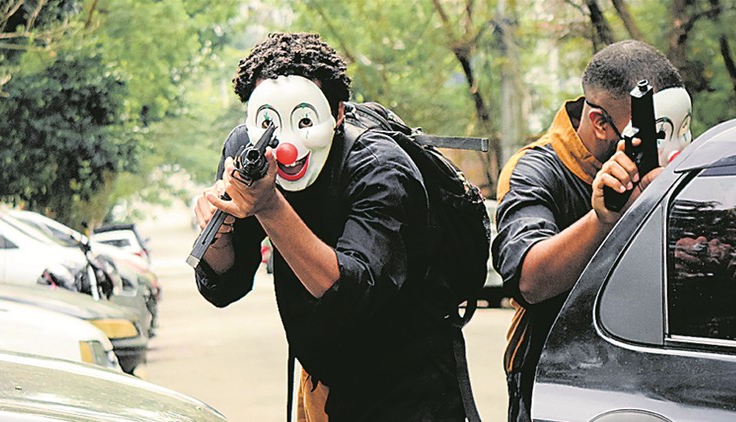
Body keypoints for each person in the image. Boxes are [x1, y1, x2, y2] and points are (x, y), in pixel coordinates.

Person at [191, 32, 466, 421]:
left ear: (338, 113)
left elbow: (354, 294)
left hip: (409, 389)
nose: (283, 144)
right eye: (268, 120)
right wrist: (219, 236)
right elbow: (227, 284)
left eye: (304, 120)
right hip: (323, 384)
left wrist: (269, 206)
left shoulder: (380, 169)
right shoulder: (247, 151)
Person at [491, 40, 693, 421]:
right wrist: (603, 219)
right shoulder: (534, 171)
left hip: (647, 376)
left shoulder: (671, 173)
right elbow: (529, 279)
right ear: (601, 122)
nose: (676, 147)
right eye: (658, 133)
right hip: (558, 381)